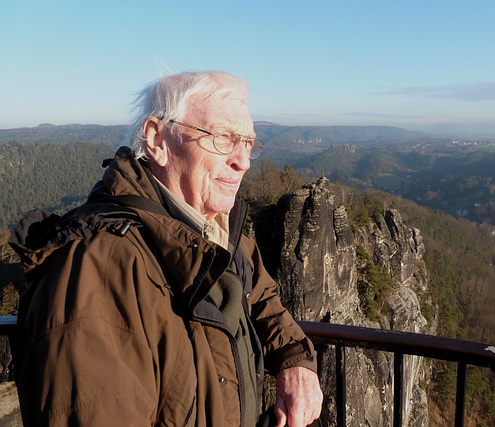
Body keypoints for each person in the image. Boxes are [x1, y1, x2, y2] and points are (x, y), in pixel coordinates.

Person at [10, 71, 323, 426]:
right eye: (223, 137)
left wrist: (295, 359)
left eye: (248, 143)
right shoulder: (93, 272)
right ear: (157, 139)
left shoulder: (214, 234)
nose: (244, 161)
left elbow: (260, 292)